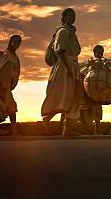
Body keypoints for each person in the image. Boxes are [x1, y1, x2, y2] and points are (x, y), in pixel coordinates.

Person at [41, 8, 82, 136]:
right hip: (64, 67)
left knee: (73, 97)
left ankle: (68, 128)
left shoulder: (70, 31)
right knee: (64, 96)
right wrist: (68, 69)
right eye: (70, 15)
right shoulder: (63, 31)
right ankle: (48, 120)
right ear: (64, 17)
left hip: (71, 66)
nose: (73, 18)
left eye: (74, 15)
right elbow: (60, 50)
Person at [0, 35, 21, 135]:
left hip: (7, 86)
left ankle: (14, 130)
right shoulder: (3, 54)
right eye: (15, 41)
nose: (16, 44)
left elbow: (15, 72)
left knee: (11, 107)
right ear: (10, 41)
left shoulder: (15, 57)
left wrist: (12, 84)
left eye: (18, 42)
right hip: (0, 85)